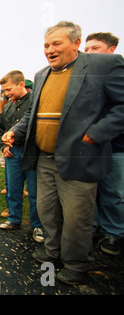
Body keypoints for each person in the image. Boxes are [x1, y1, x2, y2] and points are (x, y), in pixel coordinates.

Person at [2, 21, 124, 285]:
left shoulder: (103, 66)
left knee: (76, 218)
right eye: (46, 45)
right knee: (47, 211)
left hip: (80, 158)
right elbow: (33, 115)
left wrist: (97, 133)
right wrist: (16, 131)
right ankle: (52, 250)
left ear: (76, 43)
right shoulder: (41, 74)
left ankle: (77, 265)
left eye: (56, 43)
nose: (49, 49)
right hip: (45, 157)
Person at [85, 32, 123, 255]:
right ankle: (93, 228)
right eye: (87, 49)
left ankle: (115, 233)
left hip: (115, 145)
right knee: (91, 191)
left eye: (95, 48)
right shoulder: (85, 76)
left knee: (114, 193)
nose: (89, 52)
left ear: (111, 50)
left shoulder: (116, 71)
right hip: (89, 147)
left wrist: (101, 132)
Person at [0, 70, 43, 243]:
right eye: (4, 91)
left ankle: (37, 225)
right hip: (12, 153)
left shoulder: (35, 101)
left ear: (21, 84)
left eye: (9, 89)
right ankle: (14, 219)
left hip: (31, 151)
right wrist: (3, 147)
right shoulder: (8, 106)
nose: (7, 93)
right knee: (13, 189)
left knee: (35, 191)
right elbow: (1, 129)